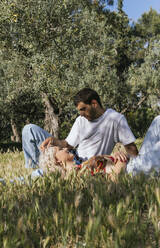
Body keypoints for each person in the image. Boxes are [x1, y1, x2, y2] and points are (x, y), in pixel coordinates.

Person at [22, 88, 138, 169]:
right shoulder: (81, 120)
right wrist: (54, 141)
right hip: (70, 156)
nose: (81, 114)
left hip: (86, 163)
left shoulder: (116, 119)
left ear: (94, 104)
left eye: (83, 109)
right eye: (79, 111)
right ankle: (33, 167)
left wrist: (119, 157)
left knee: (40, 175)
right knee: (29, 129)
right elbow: (68, 144)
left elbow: (132, 151)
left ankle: (40, 173)